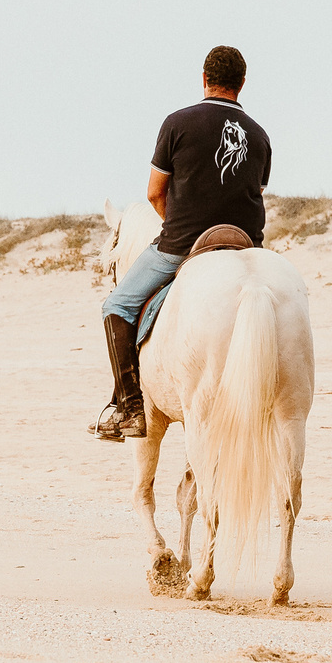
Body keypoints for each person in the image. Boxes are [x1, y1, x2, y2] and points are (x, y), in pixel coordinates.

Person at [97, 45, 272, 440]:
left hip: (183, 242)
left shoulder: (177, 123)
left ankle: (129, 408)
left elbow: (155, 193)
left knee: (117, 304)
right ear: (242, 84)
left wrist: (177, 226)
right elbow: (253, 193)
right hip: (246, 246)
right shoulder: (260, 136)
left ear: (204, 79)